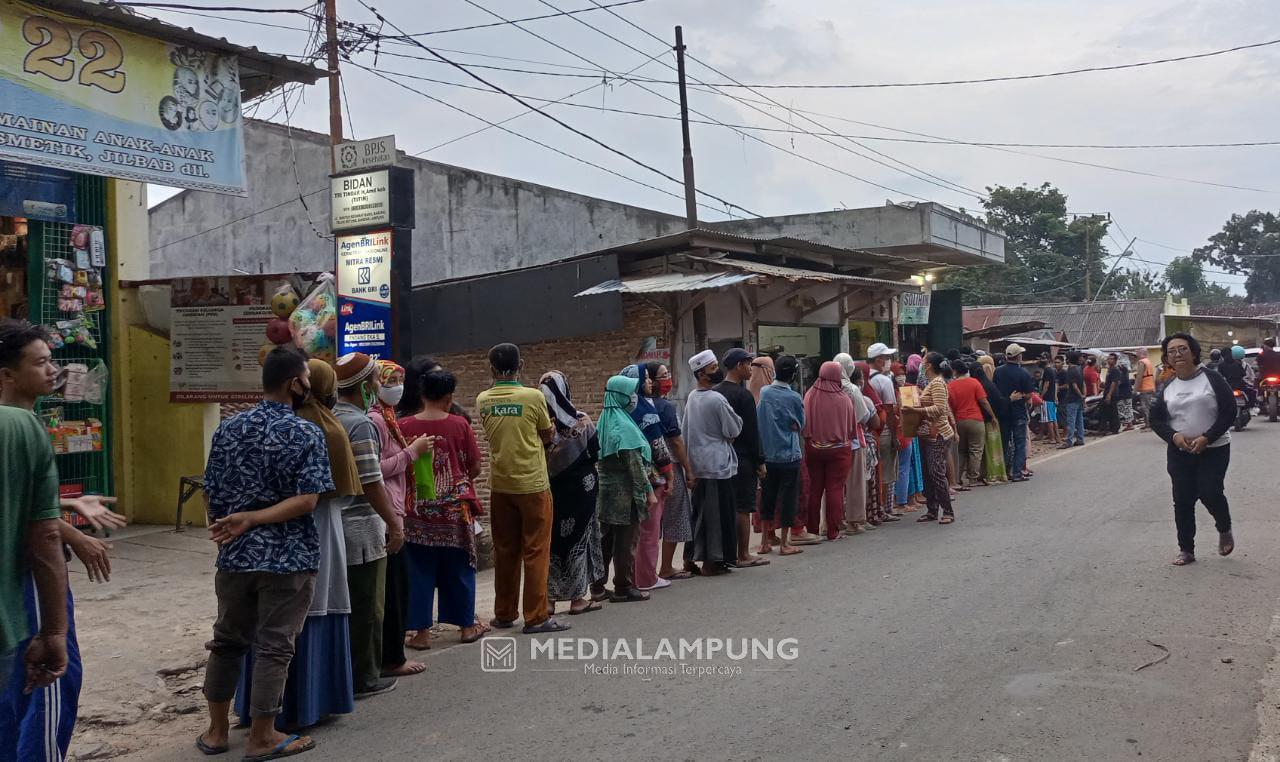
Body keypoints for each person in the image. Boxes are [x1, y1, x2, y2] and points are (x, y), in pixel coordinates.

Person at [198, 347, 332, 760]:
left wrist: (230, 523)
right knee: (275, 646)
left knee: (226, 642)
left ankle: (217, 732)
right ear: (296, 383)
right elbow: (308, 500)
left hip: (235, 556)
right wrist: (256, 519)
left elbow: (212, 491)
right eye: (306, 375)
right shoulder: (307, 433)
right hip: (289, 558)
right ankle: (262, 736)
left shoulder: (228, 429)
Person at [233, 358, 361, 731]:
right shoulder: (321, 430)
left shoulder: (242, 426)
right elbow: (320, 497)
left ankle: (251, 713)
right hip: (311, 534)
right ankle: (302, 707)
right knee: (304, 612)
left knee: (262, 625)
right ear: (297, 383)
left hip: (252, 542)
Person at [475, 344, 566, 634]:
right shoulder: (532, 396)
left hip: (501, 484)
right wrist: (549, 432)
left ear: (491, 368)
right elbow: (545, 433)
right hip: (533, 484)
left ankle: (503, 612)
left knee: (505, 550)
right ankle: (536, 616)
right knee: (536, 550)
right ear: (521, 365)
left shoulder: (483, 400)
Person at [332, 353, 406, 698]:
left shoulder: (330, 417)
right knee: (367, 607)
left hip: (337, 526)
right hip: (362, 527)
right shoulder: (360, 424)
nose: (380, 387)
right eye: (376, 382)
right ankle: (364, 677)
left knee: (346, 606)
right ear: (363, 386)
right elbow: (372, 480)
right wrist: (394, 524)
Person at [399, 369, 490, 646]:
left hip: (416, 513)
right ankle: (465, 627)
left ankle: (421, 633)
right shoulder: (459, 425)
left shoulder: (404, 426)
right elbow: (474, 465)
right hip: (454, 512)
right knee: (460, 569)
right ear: (449, 398)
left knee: (418, 571)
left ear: (421, 394)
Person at [1148, 333, 1237, 566]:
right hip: (1180, 451)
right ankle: (1186, 549)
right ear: (1167, 358)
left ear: (1194, 352)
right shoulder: (1166, 385)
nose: (1177, 354)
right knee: (1183, 499)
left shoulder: (1213, 378)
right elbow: (1155, 419)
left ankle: (1224, 528)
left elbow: (1229, 411)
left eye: (1182, 349)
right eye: (1171, 351)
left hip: (1214, 448)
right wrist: (1174, 436)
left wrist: (1208, 437)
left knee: (1210, 492)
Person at [366, 361, 430, 678]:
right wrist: (412, 453)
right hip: (385, 511)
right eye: (390, 380)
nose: (397, 387)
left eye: (400, 380)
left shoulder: (388, 417)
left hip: (395, 508)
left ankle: (391, 653)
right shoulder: (374, 421)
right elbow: (374, 470)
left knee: (396, 588)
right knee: (393, 590)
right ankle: (391, 658)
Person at [538, 371, 605, 614]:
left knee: (553, 543)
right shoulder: (582, 420)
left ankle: (549, 601)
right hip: (582, 490)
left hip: (551, 489)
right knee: (579, 539)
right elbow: (596, 452)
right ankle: (578, 599)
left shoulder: (540, 424)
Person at [591, 375, 658, 601]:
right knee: (626, 541)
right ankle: (624, 587)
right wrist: (648, 491)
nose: (633, 398)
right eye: (630, 393)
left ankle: (598, 587)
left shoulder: (605, 419)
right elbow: (635, 466)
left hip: (607, 491)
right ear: (620, 396)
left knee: (606, 540)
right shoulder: (623, 426)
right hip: (625, 493)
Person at [681, 350, 743, 576]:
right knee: (716, 515)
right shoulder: (717, 399)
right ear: (701, 374)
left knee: (699, 514)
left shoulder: (692, 398)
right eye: (713, 368)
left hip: (698, 463)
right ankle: (711, 562)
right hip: (716, 464)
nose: (717, 372)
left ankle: (690, 559)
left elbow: (685, 432)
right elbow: (733, 429)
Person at [620, 363, 676, 590]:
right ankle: (646, 577)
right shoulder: (645, 410)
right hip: (651, 477)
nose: (650, 382)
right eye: (646, 378)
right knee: (649, 529)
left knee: (632, 530)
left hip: (626, 477)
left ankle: (630, 577)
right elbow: (659, 447)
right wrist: (670, 475)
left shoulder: (619, 408)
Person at [714, 349, 768, 569]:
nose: (749, 369)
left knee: (726, 506)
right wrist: (760, 461)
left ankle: (725, 553)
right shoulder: (742, 395)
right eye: (747, 364)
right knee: (743, 508)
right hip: (743, 458)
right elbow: (751, 432)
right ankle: (743, 554)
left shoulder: (715, 393)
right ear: (738, 366)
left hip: (721, 458)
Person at [645, 362, 698, 581]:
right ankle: (665, 567)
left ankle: (644, 571)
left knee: (649, 523)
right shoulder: (665, 408)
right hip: (669, 468)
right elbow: (676, 442)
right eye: (663, 376)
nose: (668, 379)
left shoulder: (639, 405)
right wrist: (688, 470)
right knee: (675, 516)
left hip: (647, 469)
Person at [802, 362, 857, 541]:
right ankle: (833, 531)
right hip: (839, 450)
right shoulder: (844, 399)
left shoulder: (809, 395)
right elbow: (851, 429)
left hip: (814, 448)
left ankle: (812, 530)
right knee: (835, 489)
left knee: (815, 489)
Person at [757, 356, 805, 555]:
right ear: (793, 375)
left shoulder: (764, 392)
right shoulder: (794, 398)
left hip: (767, 454)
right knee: (788, 499)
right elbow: (801, 424)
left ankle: (764, 542)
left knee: (767, 498)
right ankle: (784, 543)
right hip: (789, 455)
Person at [911, 352, 957, 523]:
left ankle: (947, 511)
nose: (922, 364)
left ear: (929, 365)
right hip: (929, 433)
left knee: (936, 473)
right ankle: (932, 510)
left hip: (937, 433)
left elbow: (939, 408)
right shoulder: (933, 383)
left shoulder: (937, 383)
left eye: (924, 362)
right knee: (929, 473)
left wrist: (918, 411)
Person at [834, 353, 874, 531]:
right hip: (853, 440)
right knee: (855, 482)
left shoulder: (822, 388)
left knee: (833, 484)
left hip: (830, 440)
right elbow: (863, 416)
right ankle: (854, 521)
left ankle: (831, 522)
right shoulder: (851, 389)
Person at [867, 343, 901, 522]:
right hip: (885, 430)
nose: (888, 361)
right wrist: (895, 435)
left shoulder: (864, 380)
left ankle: (874, 508)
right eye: (886, 357)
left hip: (869, 431)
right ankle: (885, 508)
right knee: (886, 471)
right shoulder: (883, 380)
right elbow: (889, 410)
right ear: (879, 360)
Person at [993, 343, 1034, 482]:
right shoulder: (1024, 373)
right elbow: (1029, 395)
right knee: (1020, 443)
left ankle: (1004, 471)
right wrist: (1022, 397)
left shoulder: (997, 371)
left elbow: (995, 391)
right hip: (1018, 412)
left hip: (1003, 412)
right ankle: (1017, 473)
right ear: (1018, 356)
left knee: (1004, 442)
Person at [948, 361, 992, 488]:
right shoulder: (974, 382)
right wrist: (992, 416)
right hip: (976, 420)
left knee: (961, 451)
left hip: (959, 420)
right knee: (976, 450)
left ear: (955, 371)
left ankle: (957, 479)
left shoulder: (950, 385)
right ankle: (973, 478)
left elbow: (949, 405)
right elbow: (983, 401)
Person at [975, 355, 1008, 483]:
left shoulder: (978, 384)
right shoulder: (991, 385)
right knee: (992, 448)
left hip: (981, 420)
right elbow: (996, 402)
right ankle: (994, 473)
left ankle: (984, 473)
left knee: (983, 450)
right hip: (991, 421)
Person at [1057, 351, 1087, 448]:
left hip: (1072, 398)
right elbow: (1083, 383)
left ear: (1069, 359)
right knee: (1079, 419)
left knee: (1071, 420)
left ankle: (1069, 440)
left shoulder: (1071, 370)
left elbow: (1074, 385)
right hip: (1079, 399)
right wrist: (1083, 395)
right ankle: (1080, 438)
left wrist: (1080, 395)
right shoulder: (1079, 369)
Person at [1101, 353, 1126, 435]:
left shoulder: (1115, 370)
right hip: (1106, 392)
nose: (1109, 360)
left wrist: (1109, 394)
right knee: (1107, 411)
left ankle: (1115, 429)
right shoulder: (1110, 369)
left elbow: (1114, 383)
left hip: (1112, 394)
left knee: (1113, 412)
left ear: (1115, 361)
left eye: (1111, 359)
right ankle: (1107, 428)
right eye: (1109, 359)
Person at [1038, 355, 1059, 444]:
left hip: (1047, 398)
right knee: (1053, 418)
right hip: (1052, 398)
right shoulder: (1053, 371)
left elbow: (1046, 385)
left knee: (1049, 419)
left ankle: (1052, 438)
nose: (1042, 360)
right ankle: (1057, 437)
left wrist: (1041, 396)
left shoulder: (1047, 371)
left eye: (1044, 358)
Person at [1135, 349, 1157, 429]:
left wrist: (1135, 389)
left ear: (1141, 353)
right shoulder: (1148, 361)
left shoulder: (1142, 362)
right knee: (1150, 406)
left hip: (1145, 388)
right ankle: (1151, 423)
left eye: (1137, 352)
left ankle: (1148, 424)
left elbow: (1139, 377)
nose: (1136, 354)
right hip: (1151, 386)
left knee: (1145, 407)